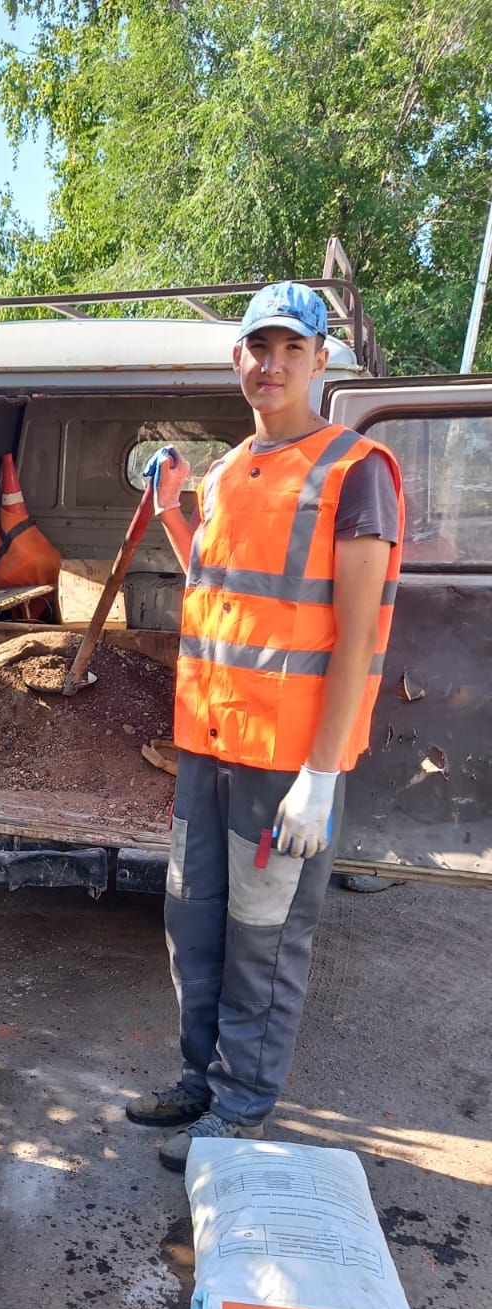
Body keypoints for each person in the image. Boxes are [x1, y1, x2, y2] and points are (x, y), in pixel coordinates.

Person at [126, 282, 404, 1172]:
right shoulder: (228, 471)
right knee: (192, 923)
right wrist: (174, 510)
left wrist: (323, 776)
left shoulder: (354, 471)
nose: (272, 364)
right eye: (258, 348)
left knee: (263, 939)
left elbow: (360, 637)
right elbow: (215, 586)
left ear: (322, 361)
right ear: (237, 359)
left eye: (292, 349)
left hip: (287, 764)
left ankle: (243, 1107)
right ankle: (200, 1081)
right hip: (207, 746)